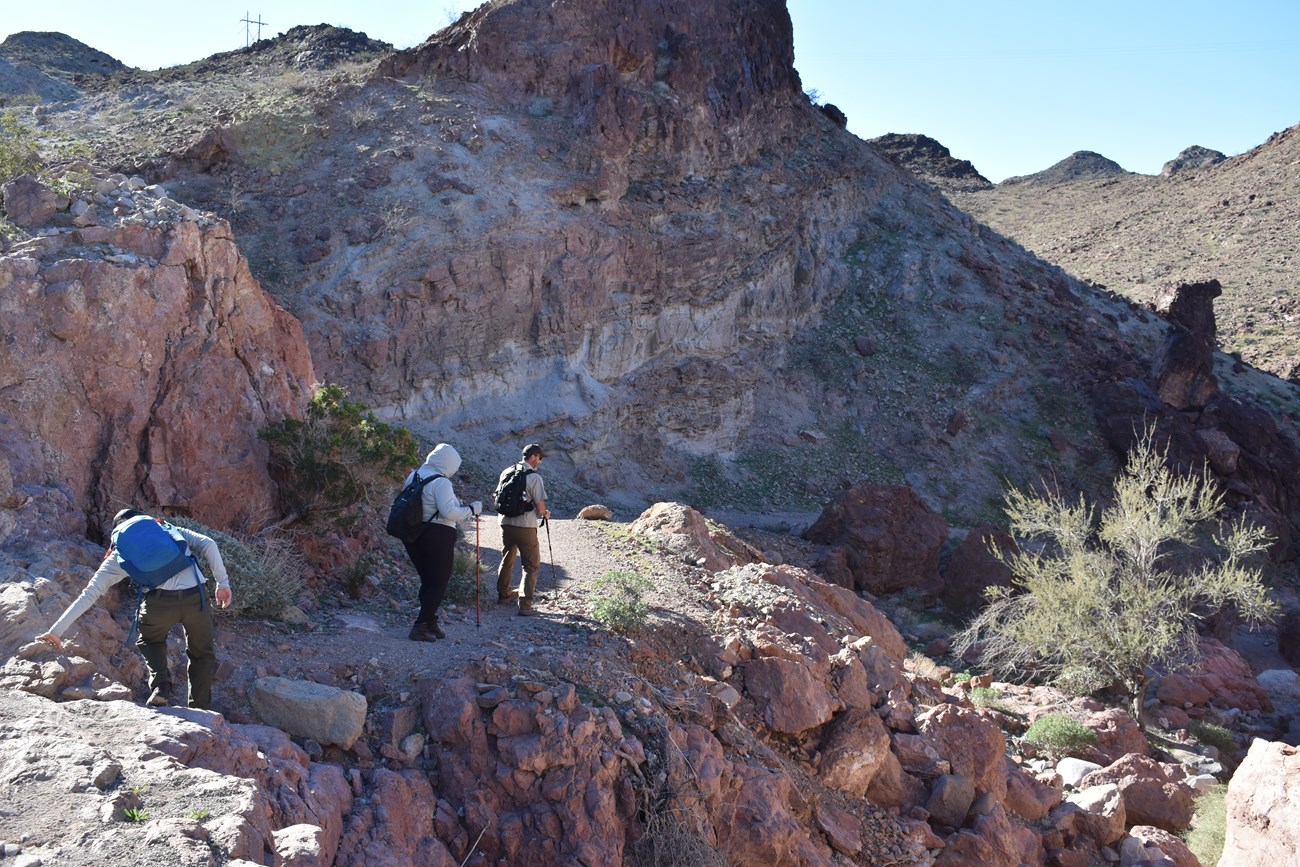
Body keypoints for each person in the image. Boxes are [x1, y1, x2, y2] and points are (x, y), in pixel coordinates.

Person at [36, 509, 233, 709]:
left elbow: (90, 593)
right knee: (201, 653)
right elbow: (209, 544)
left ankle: (162, 686)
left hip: (159, 604)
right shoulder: (166, 529)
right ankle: (200, 709)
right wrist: (222, 583)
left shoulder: (120, 553)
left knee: (150, 640)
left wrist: (56, 631)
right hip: (196, 598)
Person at [403, 443, 480, 642]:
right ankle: (420, 626)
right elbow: (450, 513)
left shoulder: (414, 475)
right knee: (438, 583)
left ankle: (430, 621)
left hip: (413, 533)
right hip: (437, 535)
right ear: (448, 464)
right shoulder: (441, 482)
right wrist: (472, 509)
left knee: (428, 581)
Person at [496, 443, 551, 616]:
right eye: (540, 458)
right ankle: (525, 605)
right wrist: (545, 514)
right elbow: (540, 506)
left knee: (507, 557)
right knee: (531, 564)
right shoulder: (534, 477)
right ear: (533, 457)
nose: (540, 462)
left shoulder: (507, 472)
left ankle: (504, 594)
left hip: (505, 522)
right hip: (525, 525)